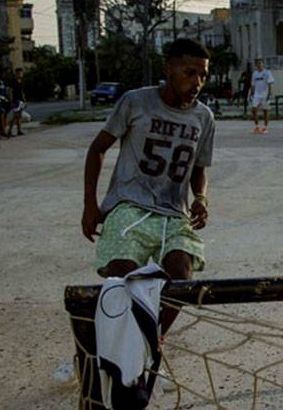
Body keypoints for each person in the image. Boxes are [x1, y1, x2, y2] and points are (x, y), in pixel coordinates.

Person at [81, 37, 215, 341]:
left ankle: (149, 343)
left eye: (203, 76)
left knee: (181, 275)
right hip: (129, 205)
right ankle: (102, 345)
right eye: (189, 72)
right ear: (168, 69)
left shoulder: (203, 117)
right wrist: (91, 204)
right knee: (123, 279)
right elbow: (97, 149)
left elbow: (198, 168)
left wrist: (201, 197)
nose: (197, 82)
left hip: (172, 212)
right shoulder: (136, 102)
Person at [249, 59, 275, 133]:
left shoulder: (267, 72)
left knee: (265, 111)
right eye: (257, 64)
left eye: (260, 63)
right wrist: (252, 94)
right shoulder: (254, 74)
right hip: (257, 94)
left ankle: (265, 127)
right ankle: (257, 126)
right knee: (254, 110)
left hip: (264, 93)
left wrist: (269, 94)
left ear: (263, 64)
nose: (259, 65)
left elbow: (269, 83)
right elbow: (253, 84)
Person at [6, 67, 27, 136]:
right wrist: (11, 100)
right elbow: (10, 91)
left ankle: (19, 130)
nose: (20, 74)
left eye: (21, 73)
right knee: (15, 116)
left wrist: (24, 100)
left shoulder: (21, 81)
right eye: (18, 73)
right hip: (15, 100)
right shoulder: (13, 81)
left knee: (19, 116)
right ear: (16, 74)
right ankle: (10, 130)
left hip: (20, 100)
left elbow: (22, 92)